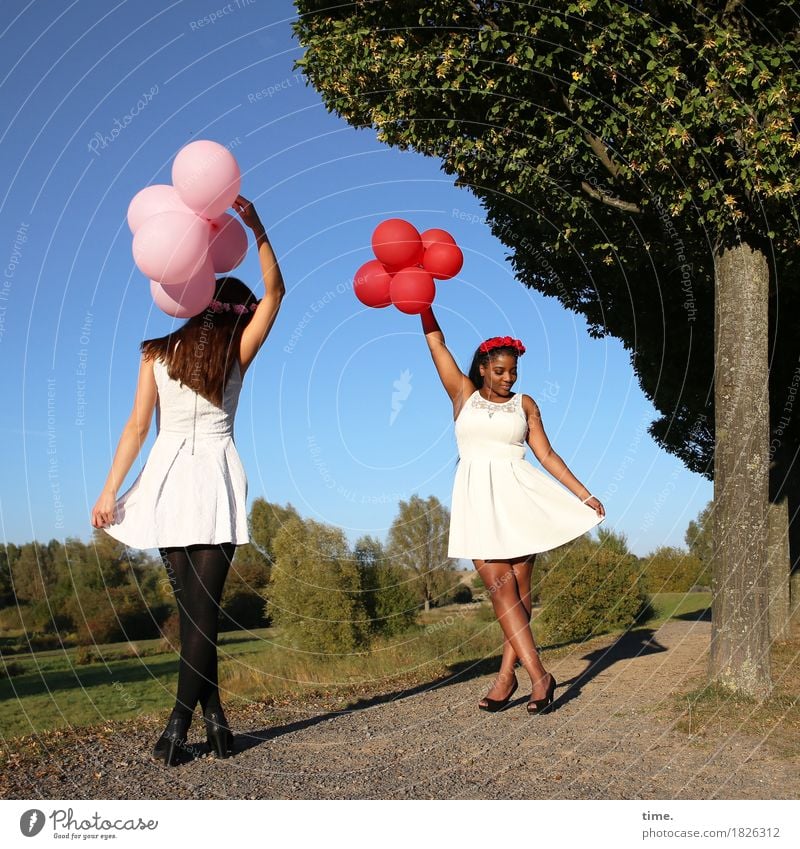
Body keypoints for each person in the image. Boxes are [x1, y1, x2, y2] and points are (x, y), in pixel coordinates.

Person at [91, 195, 285, 765]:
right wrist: (258, 227)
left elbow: (135, 426)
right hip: (216, 476)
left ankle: (193, 722)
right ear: (235, 315)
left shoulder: (155, 352)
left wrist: (109, 490)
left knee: (196, 611)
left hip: (168, 478)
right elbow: (277, 293)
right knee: (202, 611)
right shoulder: (237, 356)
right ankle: (205, 720)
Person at [421, 306, 605, 715]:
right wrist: (422, 301)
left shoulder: (524, 404)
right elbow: (436, 342)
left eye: (513, 371)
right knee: (500, 590)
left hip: (519, 498)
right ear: (484, 368)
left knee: (518, 597)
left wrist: (584, 495)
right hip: (477, 500)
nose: (508, 378)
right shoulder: (462, 394)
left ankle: (507, 677)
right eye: (500, 371)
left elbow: (547, 454)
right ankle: (540, 674)